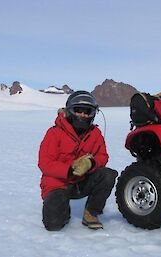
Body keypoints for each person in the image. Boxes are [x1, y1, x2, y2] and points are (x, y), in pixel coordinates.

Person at [38, 90, 118, 231]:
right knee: (53, 225)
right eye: (78, 110)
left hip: (81, 182)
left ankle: (91, 213)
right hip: (58, 184)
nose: (83, 115)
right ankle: (62, 208)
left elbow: (102, 156)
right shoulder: (54, 133)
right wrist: (69, 170)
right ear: (69, 111)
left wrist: (90, 163)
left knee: (108, 174)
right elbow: (45, 163)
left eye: (87, 111)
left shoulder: (95, 133)